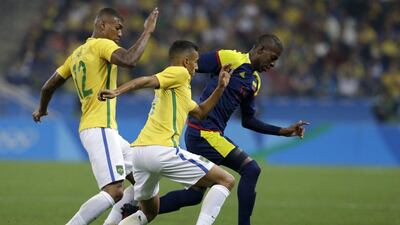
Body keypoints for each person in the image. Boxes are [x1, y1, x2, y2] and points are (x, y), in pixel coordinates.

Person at [150, 34, 310, 225]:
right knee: (251, 169)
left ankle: (135, 210)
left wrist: (283, 131)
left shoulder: (254, 82)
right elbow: (189, 64)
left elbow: (248, 120)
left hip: (209, 134)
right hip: (203, 132)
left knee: (194, 195)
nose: (274, 64)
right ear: (260, 50)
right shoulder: (231, 59)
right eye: (273, 58)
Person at [32, 7, 158, 225]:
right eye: (117, 28)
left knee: (142, 181)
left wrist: (42, 109)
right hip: (99, 127)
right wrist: (147, 31)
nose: (120, 33)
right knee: (114, 191)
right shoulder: (102, 44)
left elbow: (48, 86)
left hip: (103, 129)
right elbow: (130, 60)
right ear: (102, 26)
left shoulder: (76, 54)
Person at [98, 40, 235, 225]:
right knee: (226, 180)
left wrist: (220, 88)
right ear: (186, 62)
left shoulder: (180, 90)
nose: (196, 67)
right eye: (195, 62)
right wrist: (117, 91)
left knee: (149, 213)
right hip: (161, 150)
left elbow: (201, 112)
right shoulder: (178, 73)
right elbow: (148, 80)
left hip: (139, 154)